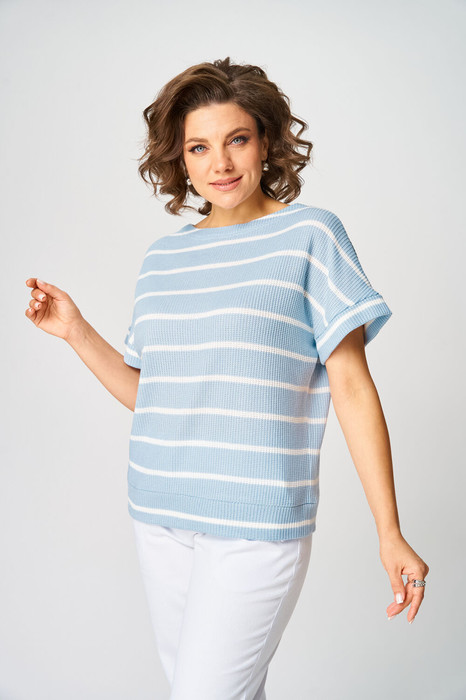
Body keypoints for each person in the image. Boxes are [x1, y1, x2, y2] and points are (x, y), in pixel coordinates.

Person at [24, 57, 429, 699]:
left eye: (237, 139)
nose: (221, 163)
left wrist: (389, 531)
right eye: (199, 147)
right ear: (180, 159)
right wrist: (76, 331)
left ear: (266, 141)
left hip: (255, 523)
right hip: (159, 514)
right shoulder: (163, 259)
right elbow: (153, 397)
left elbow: (352, 387)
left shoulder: (310, 235)